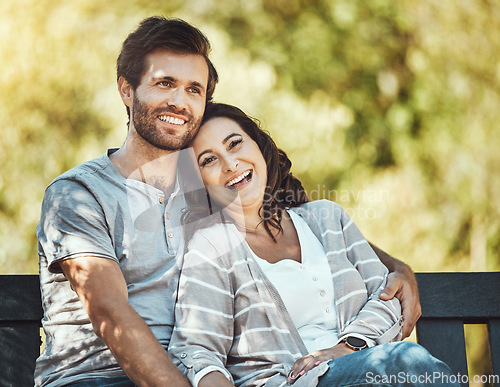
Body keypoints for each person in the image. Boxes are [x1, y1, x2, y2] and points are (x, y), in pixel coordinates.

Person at [36, 16, 419, 387]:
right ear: (126, 90)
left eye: (193, 89)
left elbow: (305, 225)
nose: (179, 101)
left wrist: (395, 268)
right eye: (164, 83)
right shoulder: (79, 195)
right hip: (98, 378)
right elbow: (110, 312)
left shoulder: (213, 191)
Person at [168, 102, 457, 387]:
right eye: (209, 160)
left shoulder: (327, 219)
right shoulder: (211, 249)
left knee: (401, 363)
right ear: (199, 183)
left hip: (366, 370)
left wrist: (347, 347)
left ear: (258, 146)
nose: (230, 164)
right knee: (406, 361)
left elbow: (387, 295)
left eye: (235, 144)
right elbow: (197, 351)